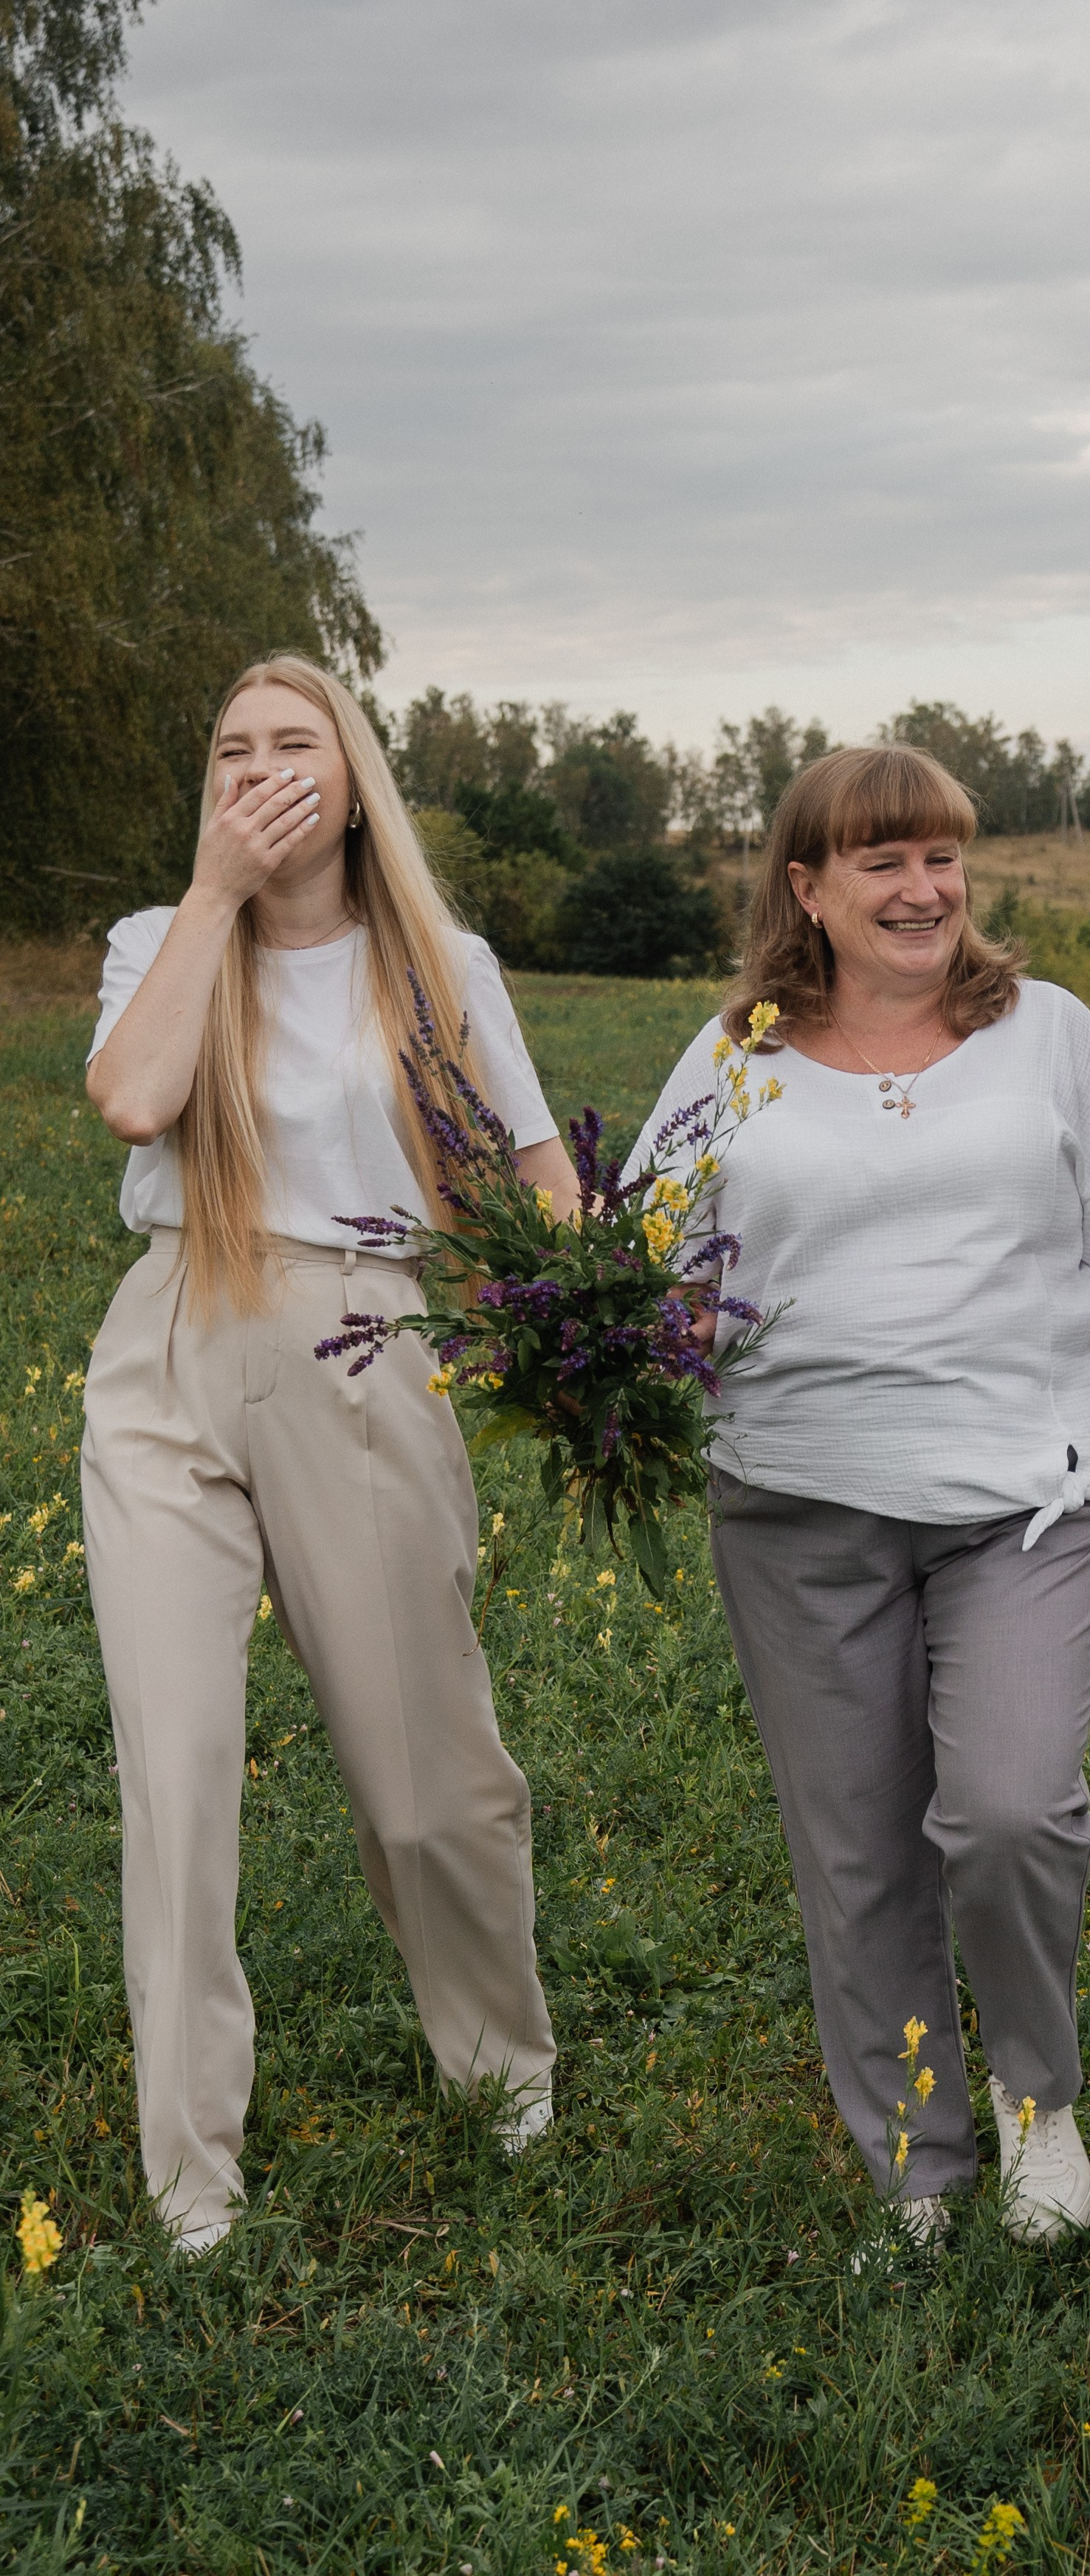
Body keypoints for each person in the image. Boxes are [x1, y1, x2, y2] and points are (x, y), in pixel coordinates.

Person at [627, 743, 1090, 2250]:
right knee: (857, 1850)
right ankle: (917, 2161)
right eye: (883, 862)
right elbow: (648, 1267)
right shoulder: (733, 1053)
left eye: (941, 857)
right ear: (808, 887)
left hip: (1027, 1495)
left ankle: (1037, 2094)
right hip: (798, 1503)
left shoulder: (1046, 1033)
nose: (923, 889)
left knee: (1005, 1808)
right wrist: (628, 1355)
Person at [82, 653, 573, 2254]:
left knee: (425, 1777)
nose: (260, 766)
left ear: (354, 778)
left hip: (362, 1335)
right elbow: (133, 1098)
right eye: (232, 748)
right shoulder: (162, 940)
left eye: (295, 741)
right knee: (174, 1776)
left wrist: (592, 1330)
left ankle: (500, 2067)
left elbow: (535, 1173)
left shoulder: (437, 962)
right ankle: (190, 2178)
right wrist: (215, 893)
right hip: (169, 1340)